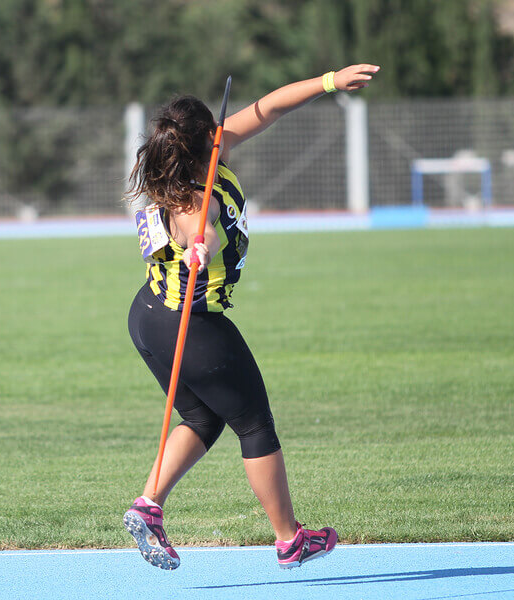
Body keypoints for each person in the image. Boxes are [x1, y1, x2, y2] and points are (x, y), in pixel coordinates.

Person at [122, 64, 379, 570]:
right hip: (189, 326)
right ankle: (290, 538)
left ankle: (148, 507)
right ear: (204, 145)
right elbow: (199, 227)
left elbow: (270, 106)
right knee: (255, 424)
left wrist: (329, 82)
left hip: (149, 315)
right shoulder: (195, 196)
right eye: (217, 134)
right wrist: (200, 246)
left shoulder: (189, 166)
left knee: (203, 417)